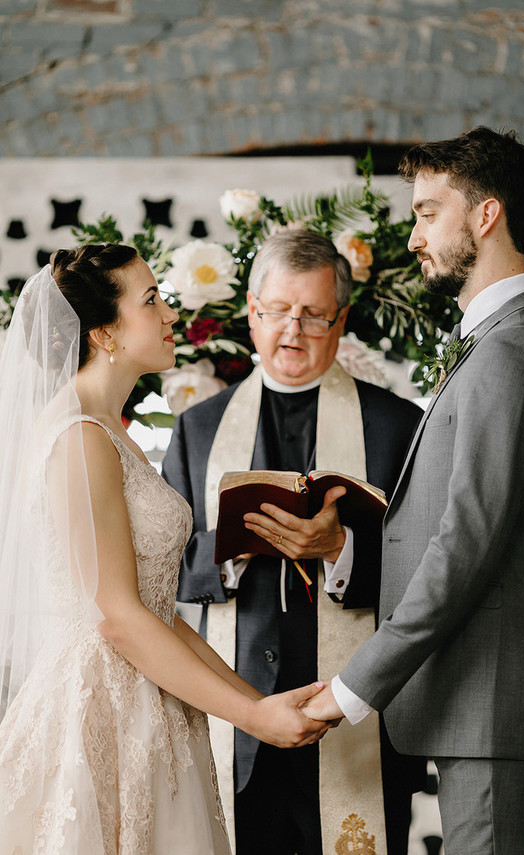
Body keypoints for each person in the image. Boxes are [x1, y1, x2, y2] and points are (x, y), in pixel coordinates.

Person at [0, 245, 330, 854]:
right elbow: (119, 619)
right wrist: (253, 719)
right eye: (151, 301)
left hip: (153, 697)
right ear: (104, 333)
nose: (171, 314)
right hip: (101, 707)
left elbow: (159, 613)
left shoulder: (108, 430)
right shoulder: (79, 438)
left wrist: (258, 704)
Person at [303, 127, 524, 855]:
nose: (413, 233)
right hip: (480, 706)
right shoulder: (498, 342)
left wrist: (352, 686)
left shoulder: (514, 350)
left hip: (500, 710)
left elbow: (466, 542)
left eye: (427, 212)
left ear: (486, 216)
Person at [162, 230, 424, 855]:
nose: (293, 330)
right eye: (278, 310)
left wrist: (341, 550)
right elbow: (157, 569)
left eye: (313, 314)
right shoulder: (198, 429)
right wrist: (230, 550)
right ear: (252, 312)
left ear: (342, 320)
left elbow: (432, 574)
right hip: (236, 717)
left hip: (358, 717)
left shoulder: (398, 426)